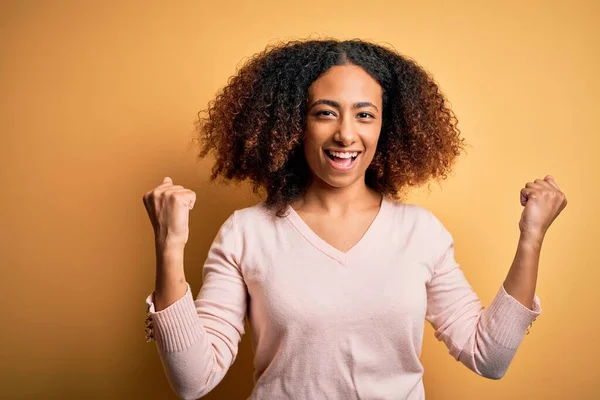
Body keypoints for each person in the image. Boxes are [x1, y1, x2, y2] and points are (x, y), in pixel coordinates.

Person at [141, 38, 567, 400]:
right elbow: (193, 381)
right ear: (294, 124)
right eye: (325, 112)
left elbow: (488, 357)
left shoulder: (419, 232)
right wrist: (169, 245)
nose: (346, 134)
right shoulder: (246, 232)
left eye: (365, 114)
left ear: (387, 127)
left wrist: (531, 239)